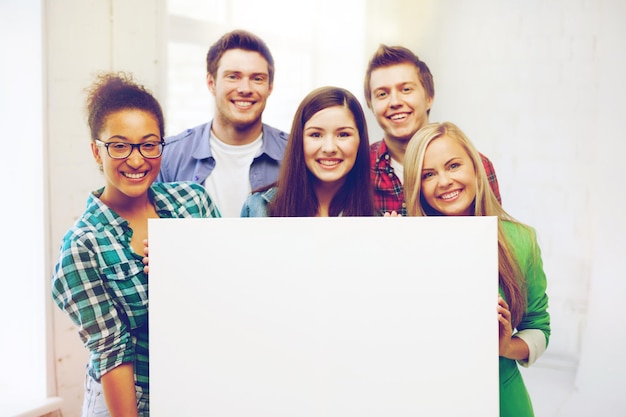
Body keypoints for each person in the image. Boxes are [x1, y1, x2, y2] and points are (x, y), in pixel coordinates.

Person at [51, 72, 220, 417]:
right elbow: (112, 354)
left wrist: (186, 268)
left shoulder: (193, 203)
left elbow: (229, 285)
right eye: (119, 145)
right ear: (96, 152)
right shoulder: (83, 246)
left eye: (149, 144)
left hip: (194, 384)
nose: (137, 159)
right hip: (129, 398)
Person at [402, 121, 550, 417]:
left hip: (501, 401)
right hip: (425, 399)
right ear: (417, 186)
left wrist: (506, 347)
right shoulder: (404, 245)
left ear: (475, 167)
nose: (444, 181)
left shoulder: (521, 240)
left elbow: (538, 327)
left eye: (453, 165)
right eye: (428, 175)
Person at [158, 29, 288, 217]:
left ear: (270, 87)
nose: (245, 89)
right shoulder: (168, 157)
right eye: (233, 76)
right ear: (211, 83)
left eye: (257, 79)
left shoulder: (295, 153)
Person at [364, 44, 502, 216]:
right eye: (382, 94)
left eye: (406, 89)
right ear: (371, 105)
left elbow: (491, 235)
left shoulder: (477, 166)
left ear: (429, 97)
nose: (395, 102)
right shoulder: (360, 169)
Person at [240, 86, 375, 217]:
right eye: (316, 135)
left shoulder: (376, 219)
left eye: (343, 134)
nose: (329, 148)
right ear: (299, 140)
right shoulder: (258, 207)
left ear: (360, 139)